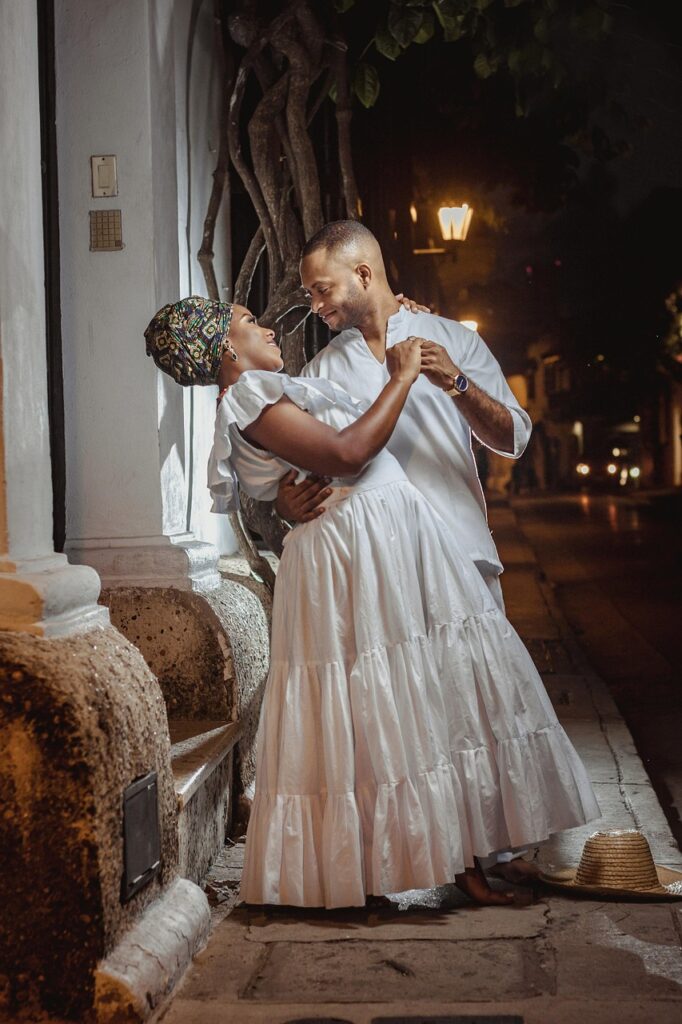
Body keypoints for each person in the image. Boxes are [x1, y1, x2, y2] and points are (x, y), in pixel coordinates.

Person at [144, 295, 600, 910]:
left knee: (409, 704)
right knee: (385, 706)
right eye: (249, 323)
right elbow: (348, 453)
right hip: (356, 553)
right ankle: (416, 866)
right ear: (225, 347)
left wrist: (284, 496)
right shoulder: (250, 397)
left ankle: (455, 858)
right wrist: (403, 378)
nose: (270, 326)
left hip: (376, 541)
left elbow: (299, 467)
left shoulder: (265, 391)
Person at [278, 219, 534, 882]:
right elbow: (305, 470)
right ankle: (440, 859)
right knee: (414, 720)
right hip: (383, 572)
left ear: (365, 273)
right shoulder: (322, 369)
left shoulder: (452, 339)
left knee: (483, 710)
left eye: (323, 287)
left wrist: (456, 384)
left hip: (462, 548)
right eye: (308, 294)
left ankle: (492, 855)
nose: (316, 304)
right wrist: (286, 503)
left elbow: (513, 438)